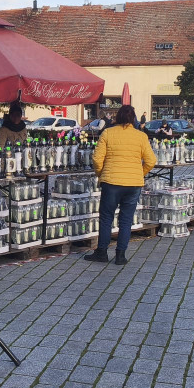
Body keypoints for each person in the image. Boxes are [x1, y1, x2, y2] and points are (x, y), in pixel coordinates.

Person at [85, 104, 157, 266]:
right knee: (125, 220)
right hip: (133, 184)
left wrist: (100, 174)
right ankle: (120, 255)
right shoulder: (141, 136)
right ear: (133, 119)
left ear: (118, 118)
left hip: (111, 183)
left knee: (106, 218)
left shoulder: (108, 133)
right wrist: (140, 173)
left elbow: (97, 159)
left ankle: (102, 252)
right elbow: (151, 161)